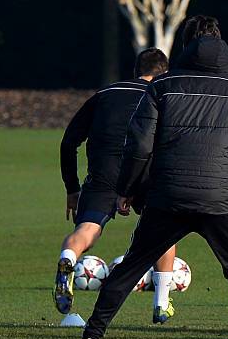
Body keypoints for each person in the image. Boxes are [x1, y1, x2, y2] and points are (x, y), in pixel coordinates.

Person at [75, 16, 228, 339]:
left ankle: (91, 338)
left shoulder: (162, 85)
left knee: (131, 267)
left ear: (185, 47)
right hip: (221, 199)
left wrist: (127, 189)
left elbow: (139, 146)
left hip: (168, 195)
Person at [54, 48, 178, 324]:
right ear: (164, 72)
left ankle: (68, 257)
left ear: (136, 71)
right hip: (147, 171)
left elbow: (69, 142)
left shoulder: (104, 94)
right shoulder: (162, 93)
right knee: (164, 232)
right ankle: (161, 303)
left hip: (104, 173)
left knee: (87, 230)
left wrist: (72, 188)